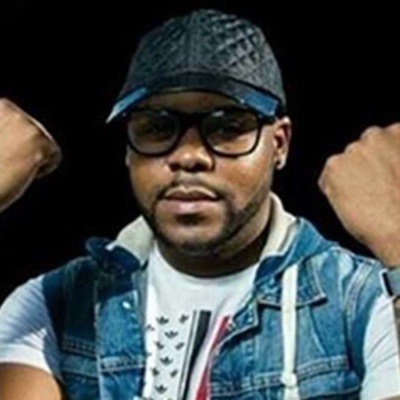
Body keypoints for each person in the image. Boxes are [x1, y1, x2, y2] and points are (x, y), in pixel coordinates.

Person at [0, 8, 399, 400]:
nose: (189, 155)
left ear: (279, 144)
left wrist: (397, 239)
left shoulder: (364, 302)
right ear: (128, 150)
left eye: (227, 127)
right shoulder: (55, 305)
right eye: (157, 127)